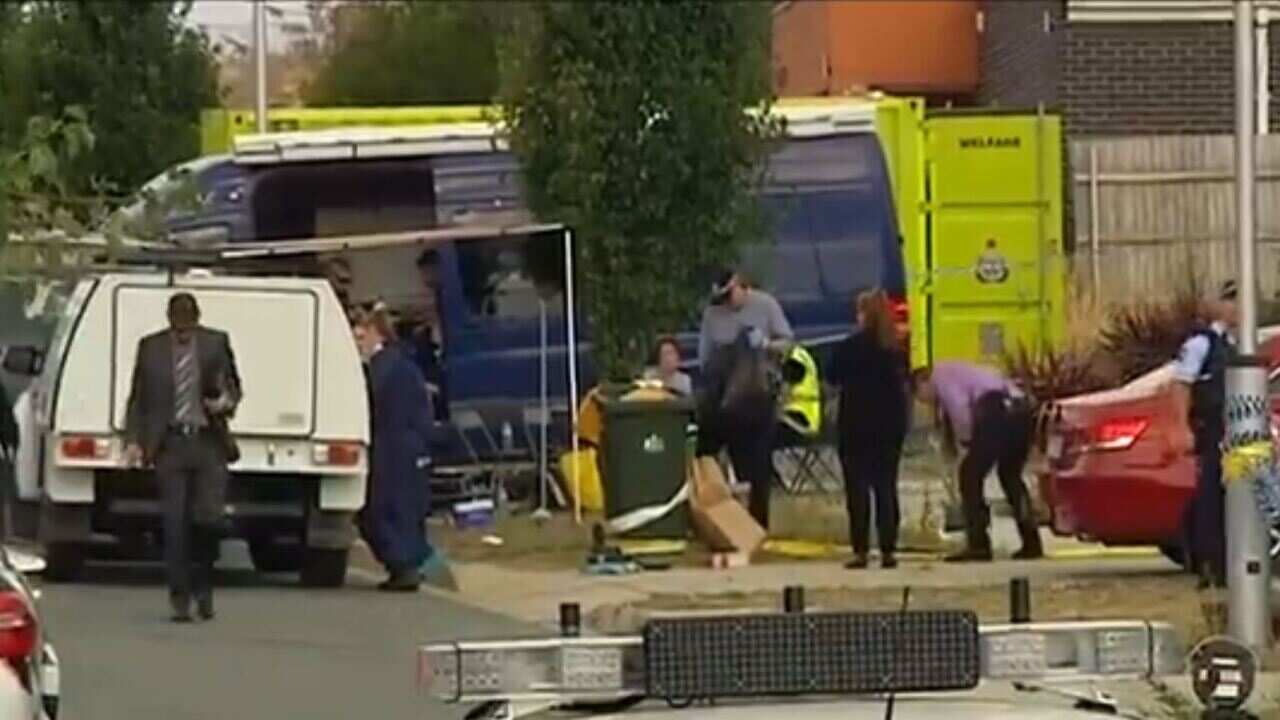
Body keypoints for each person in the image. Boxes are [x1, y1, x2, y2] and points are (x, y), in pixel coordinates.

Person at [124, 293, 242, 622]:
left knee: (208, 521)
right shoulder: (151, 349)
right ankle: (180, 596)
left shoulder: (215, 343)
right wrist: (134, 441)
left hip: (208, 444)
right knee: (174, 525)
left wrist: (224, 403)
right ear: (169, 320)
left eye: (188, 326)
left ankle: (204, 586)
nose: (183, 333)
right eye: (178, 326)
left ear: (197, 320)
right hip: (170, 445)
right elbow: (138, 398)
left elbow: (233, 388)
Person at [913, 360, 1043, 563]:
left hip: (995, 410)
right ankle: (1031, 540)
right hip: (1020, 410)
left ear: (923, 381)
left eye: (921, 396)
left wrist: (968, 441)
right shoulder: (964, 370)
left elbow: (960, 408)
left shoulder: (941, 376)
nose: (926, 402)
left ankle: (978, 544)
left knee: (970, 476)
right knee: (1010, 476)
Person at [697, 269, 794, 529]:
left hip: (757, 398)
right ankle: (719, 520)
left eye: (730, 295)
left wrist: (765, 345)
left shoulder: (765, 305)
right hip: (723, 401)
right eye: (721, 298)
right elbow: (704, 359)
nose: (727, 303)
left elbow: (788, 342)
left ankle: (758, 526)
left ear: (741, 285)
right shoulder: (712, 315)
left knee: (758, 466)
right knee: (705, 455)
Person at [353, 305, 440, 592]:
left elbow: (372, 404)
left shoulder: (383, 367)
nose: (357, 342)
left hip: (393, 447)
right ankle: (409, 563)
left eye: (361, 336)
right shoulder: (401, 364)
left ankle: (403, 564)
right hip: (408, 445)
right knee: (401, 508)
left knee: (384, 508)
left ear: (376, 334)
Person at [828, 289, 909, 570]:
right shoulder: (895, 349)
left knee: (857, 490)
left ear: (864, 314)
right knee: (886, 488)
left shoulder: (851, 346)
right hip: (890, 424)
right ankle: (888, 549)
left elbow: (832, 375)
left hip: (856, 423)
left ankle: (861, 550)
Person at [1172, 280, 1240, 587]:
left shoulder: (1236, 344)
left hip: (1235, 433)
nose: (1238, 308)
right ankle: (1209, 567)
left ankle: (1225, 564)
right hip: (1211, 429)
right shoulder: (1202, 344)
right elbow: (1181, 386)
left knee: (1231, 500)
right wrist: (1181, 427)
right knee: (1210, 499)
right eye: (1233, 301)